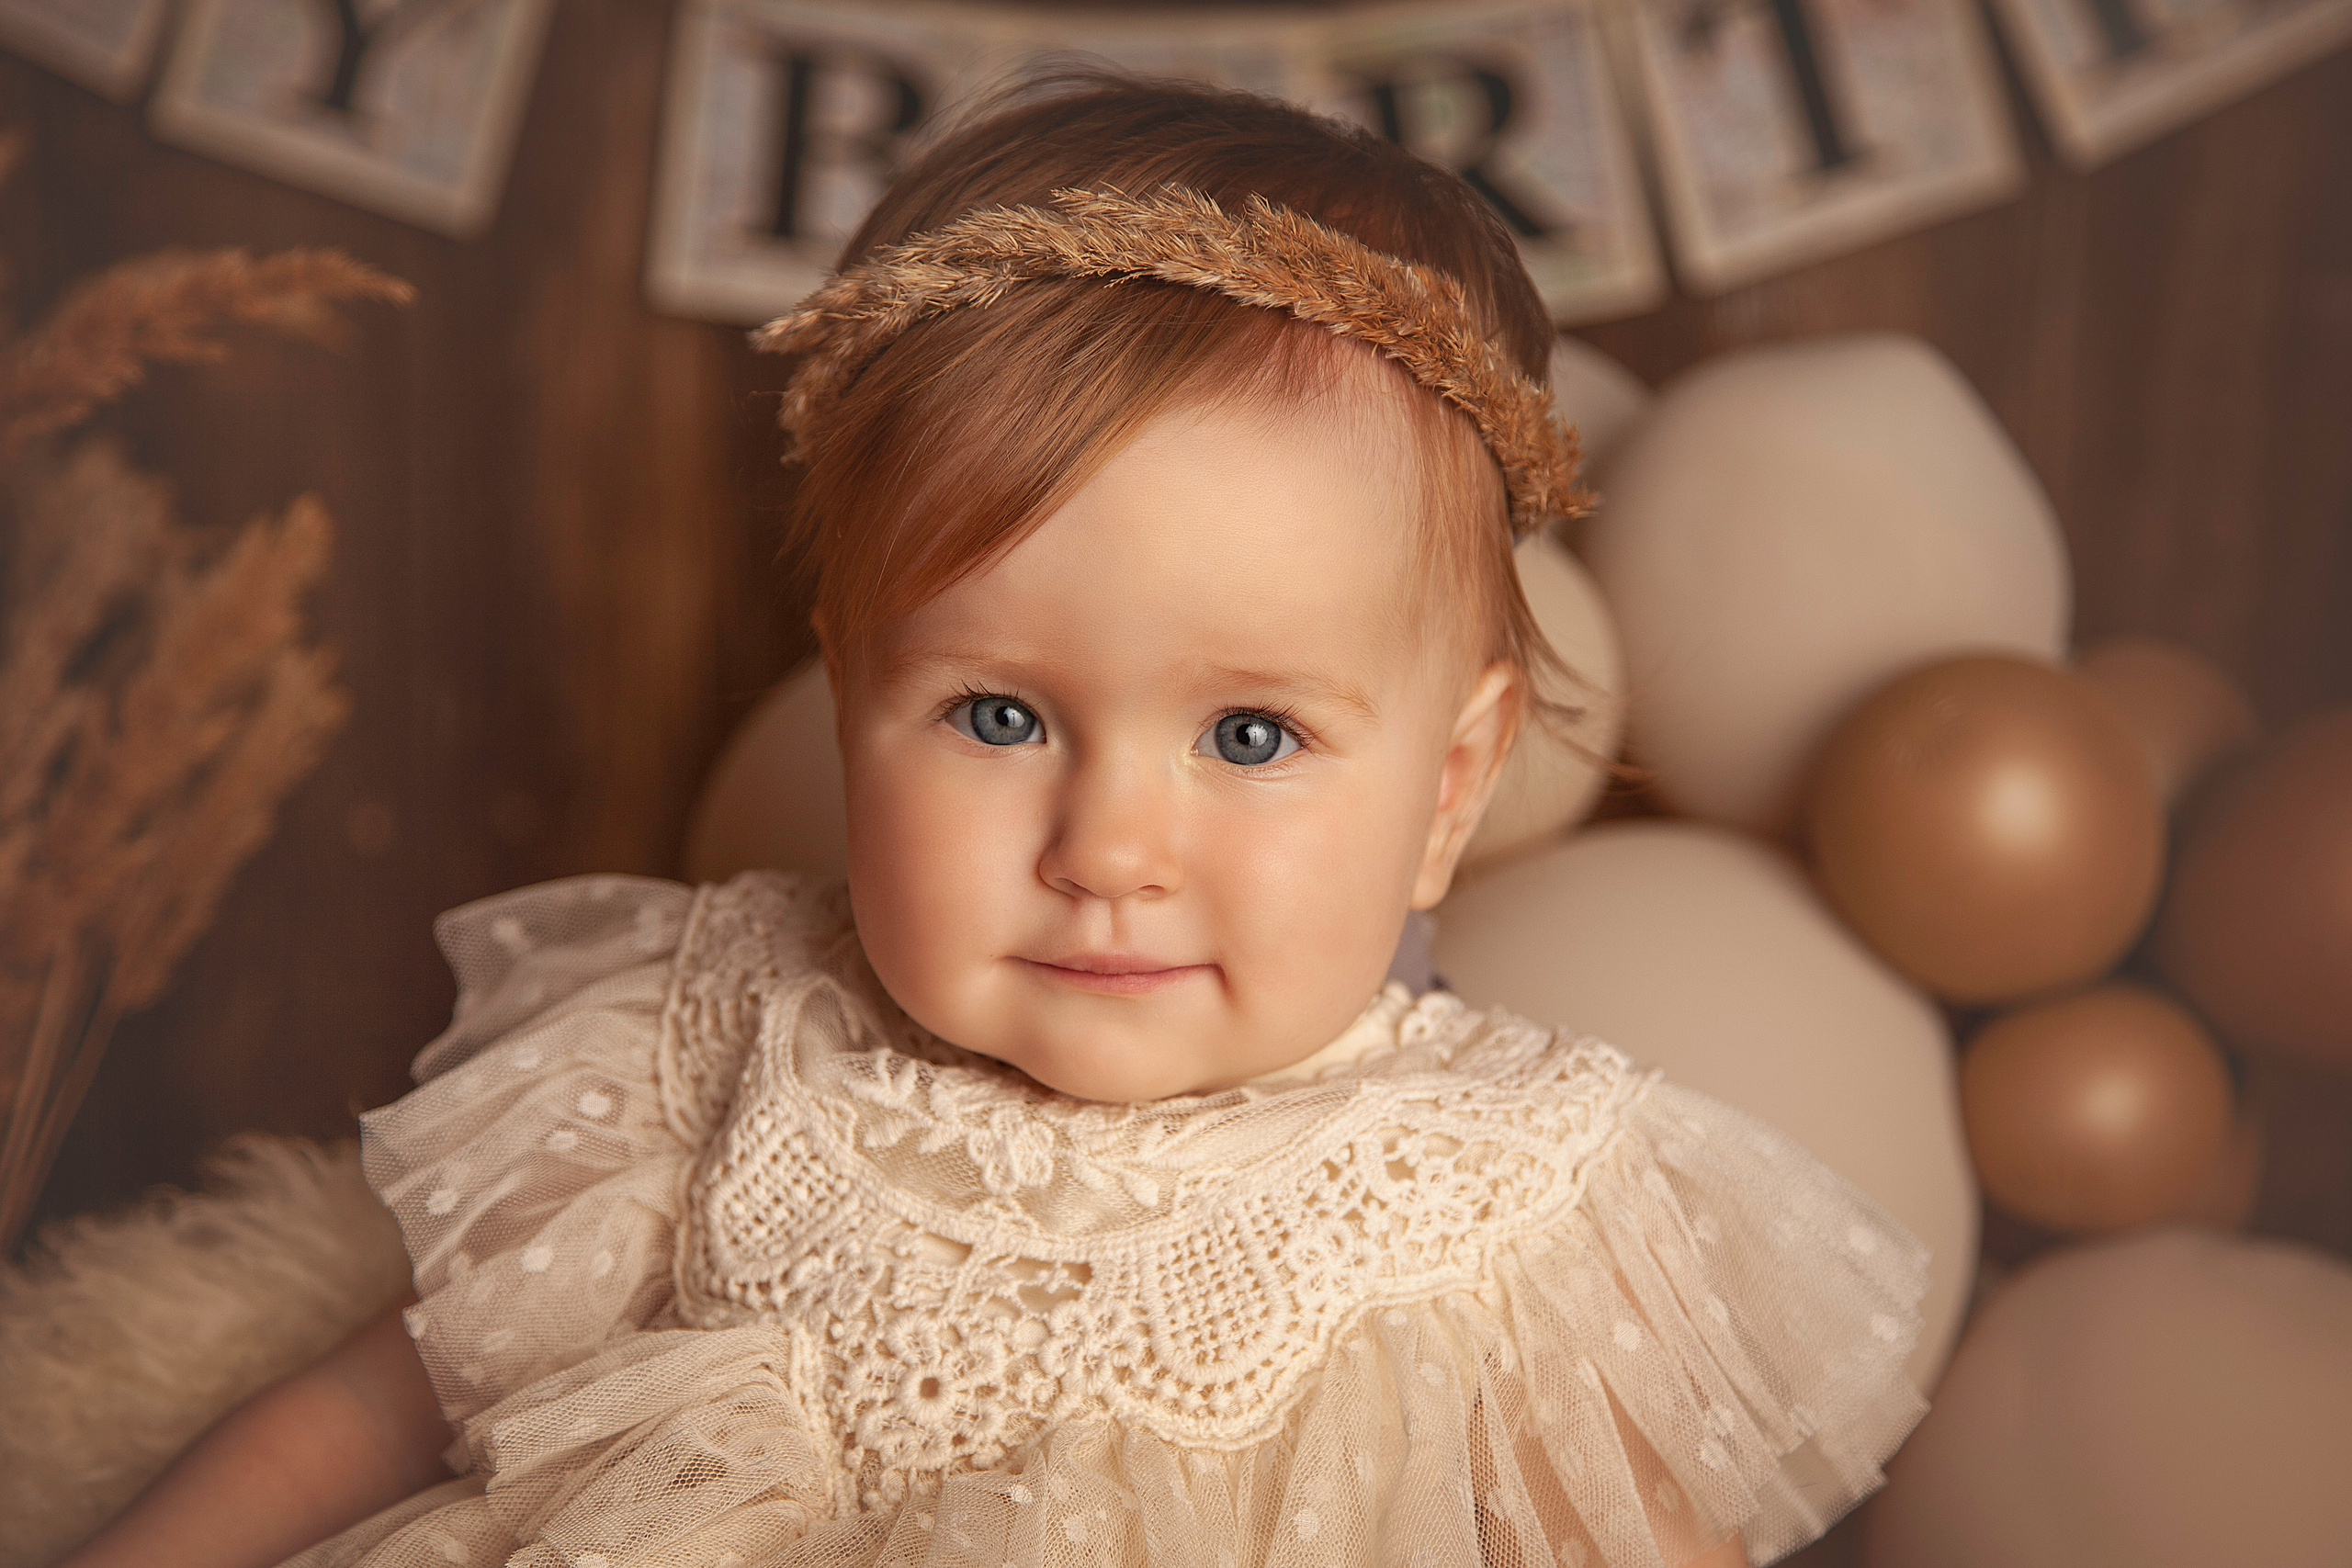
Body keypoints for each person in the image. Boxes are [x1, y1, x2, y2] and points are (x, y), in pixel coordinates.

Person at [62, 76, 1926, 1568]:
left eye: (1251, 732)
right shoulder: (711, 1038)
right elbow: (379, 1407)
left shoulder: (1485, 1202)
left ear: (1448, 787)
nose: (1108, 842)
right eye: (998, 713)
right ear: (850, 689)